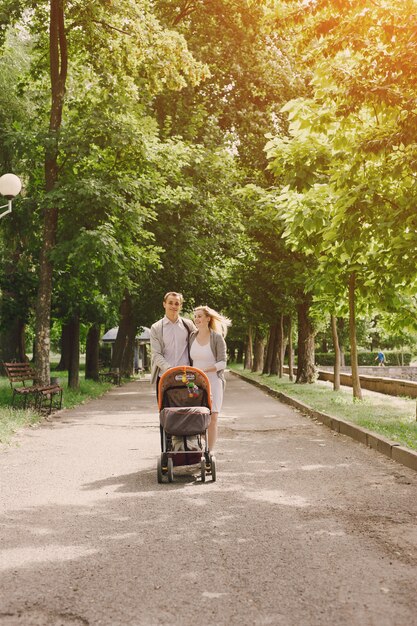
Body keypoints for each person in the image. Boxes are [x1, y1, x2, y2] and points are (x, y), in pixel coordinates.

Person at [189, 305, 231, 451]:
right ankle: (199, 446)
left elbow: (222, 363)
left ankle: (210, 453)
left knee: (212, 418)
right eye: (195, 316)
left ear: (208, 318)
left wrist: (204, 370)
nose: (197, 319)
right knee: (197, 417)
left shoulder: (217, 338)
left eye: (200, 316)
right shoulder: (192, 337)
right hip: (195, 384)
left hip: (214, 382)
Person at [150, 291, 196, 399]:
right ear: (164, 304)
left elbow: (198, 344)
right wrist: (170, 369)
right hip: (165, 377)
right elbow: (156, 354)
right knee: (165, 412)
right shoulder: (156, 328)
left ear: (180, 306)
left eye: (177, 303)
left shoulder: (188, 325)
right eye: (170, 303)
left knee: (187, 411)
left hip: (187, 377)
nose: (173, 306)